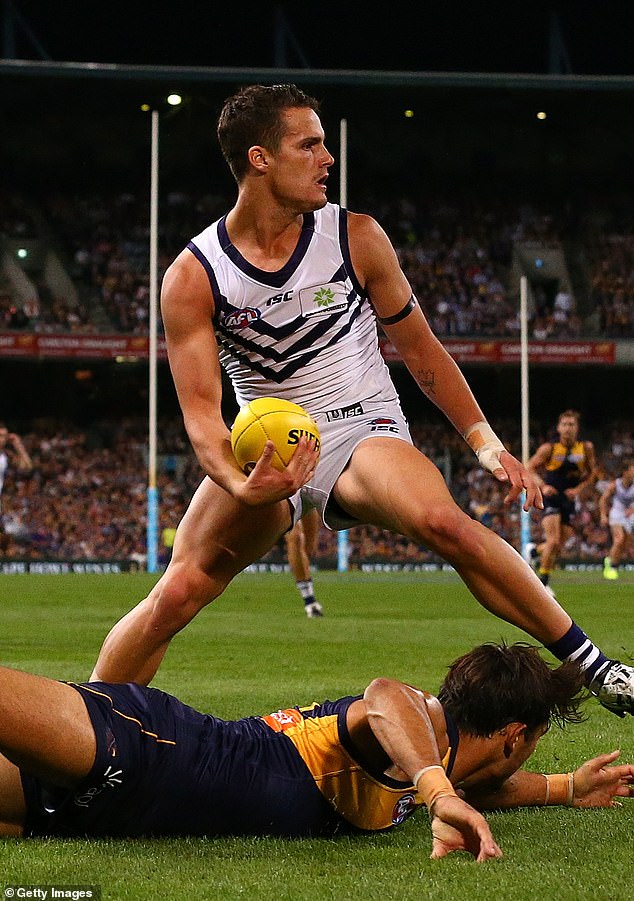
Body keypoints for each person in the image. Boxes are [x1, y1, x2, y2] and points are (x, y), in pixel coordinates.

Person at [91, 84, 634, 717]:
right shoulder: (194, 276)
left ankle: (598, 668)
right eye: (310, 144)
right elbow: (203, 421)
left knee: (442, 523)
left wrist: (485, 443)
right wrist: (243, 489)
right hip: (269, 445)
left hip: (360, 424)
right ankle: (85, 735)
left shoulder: (356, 237)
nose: (327, 158)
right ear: (260, 158)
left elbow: (424, 353)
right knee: (177, 593)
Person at [2, 642, 633, 856]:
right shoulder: (414, 724)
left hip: (100, 816)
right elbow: (385, 695)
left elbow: (481, 785)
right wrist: (439, 795)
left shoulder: (433, 761)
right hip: (150, 749)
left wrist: (565, 789)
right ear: (515, 737)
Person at [527, 410, 597, 596]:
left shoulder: (585, 448)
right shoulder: (549, 448)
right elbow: (530, 467)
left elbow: (592, 474)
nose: (567, 428)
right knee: (554, 540)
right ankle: (543, 582)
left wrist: (578, 490)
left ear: (577, 428)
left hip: (568, 498)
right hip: (551, 496)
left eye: (571, 424)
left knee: (558, 545)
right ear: (558, 428)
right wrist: (543, 486)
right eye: (564, 424)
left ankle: (534, 552)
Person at [599, 459, 634, 580]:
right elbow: (603, 500)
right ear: (625, 472)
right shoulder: (615, 485)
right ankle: (611, 567)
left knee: (625, 543)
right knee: (619, 540)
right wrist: (603, 515)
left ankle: (611, 561)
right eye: (632, 469)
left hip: (629, 516)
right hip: (617, 513)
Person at [0, 422, 32, 553]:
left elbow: (27, 466)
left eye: (4, 436)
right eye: (0, 436)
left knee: (5, 541)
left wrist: (18, 446)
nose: (3, 439)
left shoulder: (4, 456)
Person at [285, 507, 324, 617]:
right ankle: (309, 600)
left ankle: (305, 583)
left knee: (308, 547)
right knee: (295, 537)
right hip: (284, 493)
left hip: (305, 491)